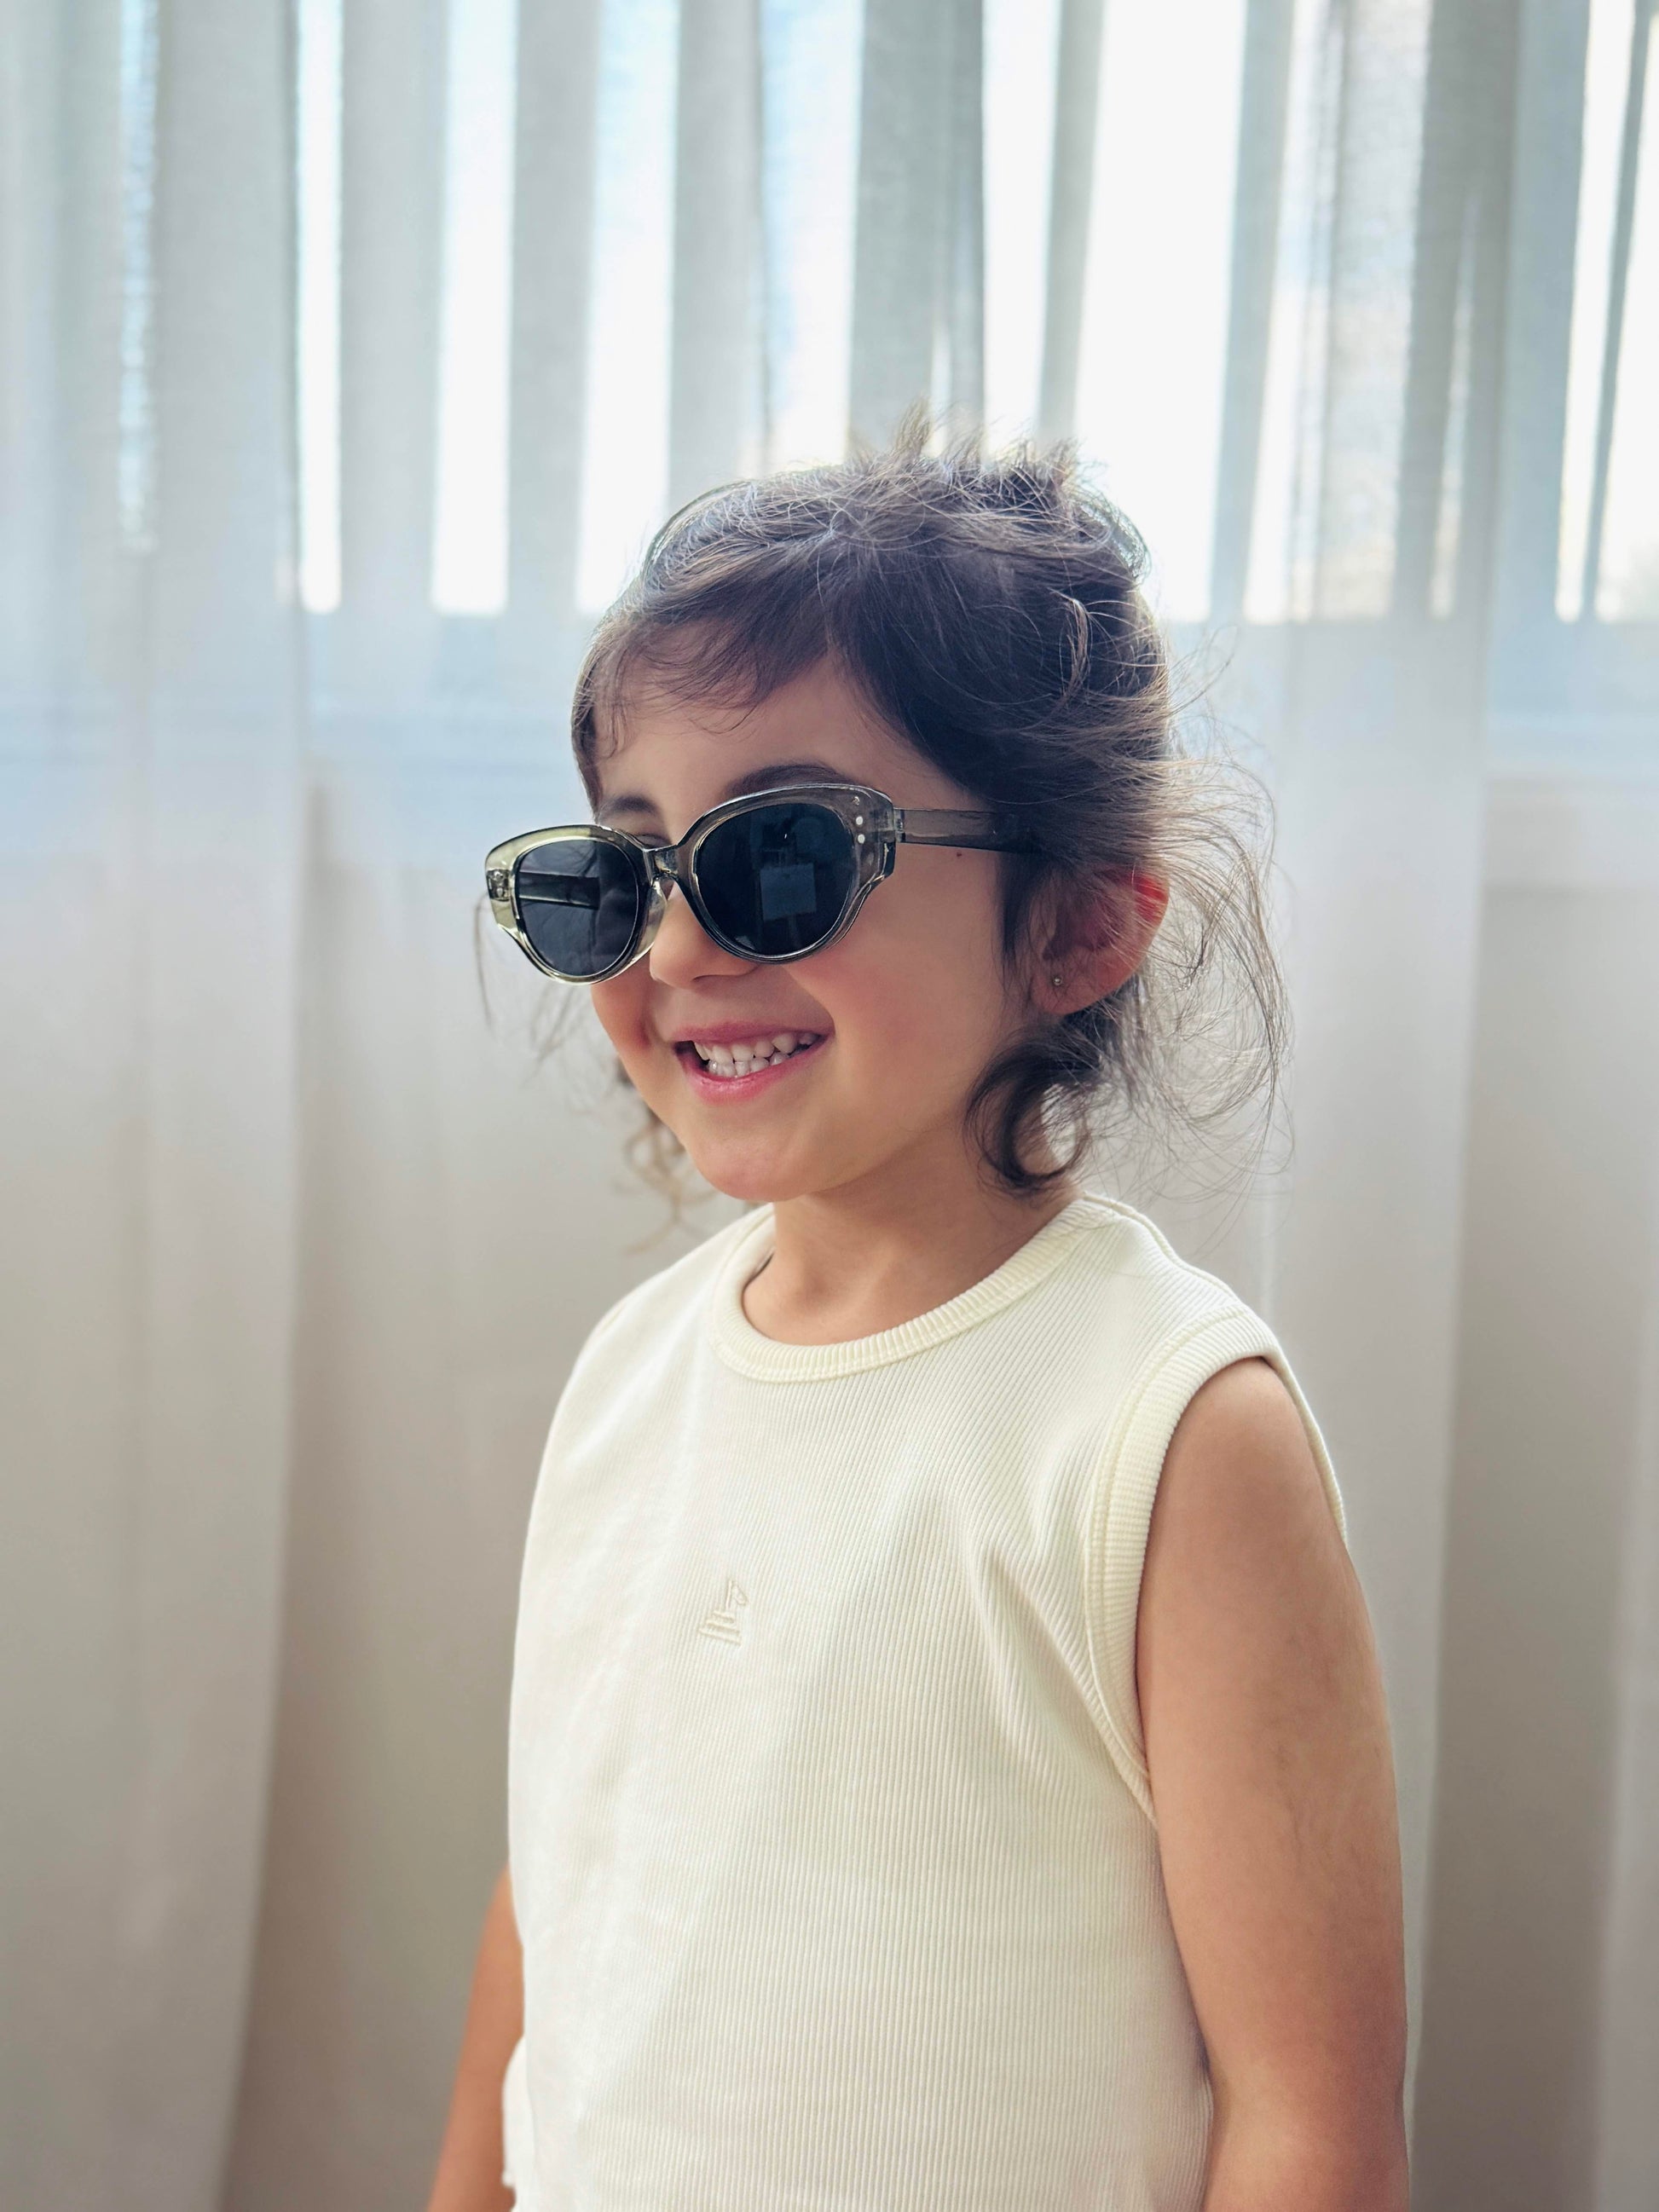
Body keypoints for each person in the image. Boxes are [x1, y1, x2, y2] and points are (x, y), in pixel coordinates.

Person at [426, 414, 1408, 2212]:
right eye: (621, 877)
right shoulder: (632, 1372)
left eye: (778, 859)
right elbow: (556, 1893)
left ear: (1077, 928)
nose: (677, 952)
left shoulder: (1171, 1436)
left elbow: (1308, 2121)